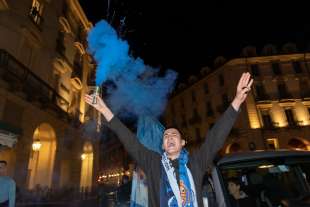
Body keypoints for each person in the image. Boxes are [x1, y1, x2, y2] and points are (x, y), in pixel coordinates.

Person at [85, 72, 253, 207]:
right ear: (163, 145)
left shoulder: (195, 163)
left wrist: (237, 100)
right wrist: (104, 109)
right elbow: (128, 138)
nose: (170, 137)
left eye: (174, 135)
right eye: (166, 135)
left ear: (182, 143)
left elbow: (216, 137)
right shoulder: (152, 163)